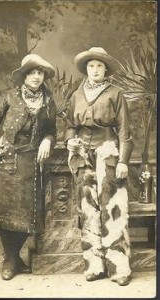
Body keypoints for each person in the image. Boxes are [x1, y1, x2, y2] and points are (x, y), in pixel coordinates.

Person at [0, 54, 57, 280]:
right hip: (6, 160)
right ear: (24, 76)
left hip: (31, 163)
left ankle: (13, 256)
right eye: (32, 72)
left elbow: (51, 129)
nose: (36, 77)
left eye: (40, 73)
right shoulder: (9, 97)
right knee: (4, 210)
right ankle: (10, 259)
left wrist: (48, 140)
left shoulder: (48, 101)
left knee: (28, 213)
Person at [65, 47, 134, 286]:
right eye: (91, 66)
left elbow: (125, 131)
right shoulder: (76, 94)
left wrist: (123, 160)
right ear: (86, 69)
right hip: (83, 155)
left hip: (108, 151)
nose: (95, 70)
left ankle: (119, 267)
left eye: (99, 66)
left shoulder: (116, 93)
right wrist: (69, 139)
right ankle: (94, 265)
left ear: (106, 69)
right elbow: (70, 124)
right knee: (88, 208)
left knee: (112, 207)